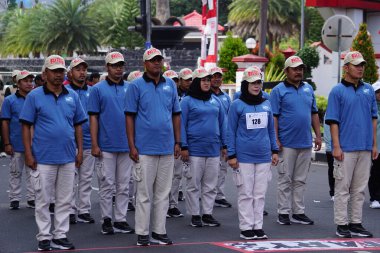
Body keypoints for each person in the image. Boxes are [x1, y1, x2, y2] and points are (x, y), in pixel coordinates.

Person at [20, 55, 87, 251]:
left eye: (60, 71)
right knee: (43, 200)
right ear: (45, 74)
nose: (58, 75)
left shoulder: (72, 96)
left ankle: (60, 235)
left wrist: (80, 151)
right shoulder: (34, 96)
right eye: (54, 71)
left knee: (65, 200)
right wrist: (29, 154)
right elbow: (26, 126)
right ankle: (44, 237)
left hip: (68, 157)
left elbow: (78, 126)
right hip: (43, 158)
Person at [125, 47, 181, 246]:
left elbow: (176, 114)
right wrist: (131, 145)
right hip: (144, 149)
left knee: (163, 194)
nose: (157, 63)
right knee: (144, 194)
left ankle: (159, 231)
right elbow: (129, 116)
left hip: (166, 147)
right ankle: (142, 233)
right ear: (145, 63)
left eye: (159, 60)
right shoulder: (136, 86)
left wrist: (177, 141)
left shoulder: (171, 85)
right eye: (153, 60)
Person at [326, 51, 378, 238]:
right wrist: (336, 146)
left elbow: (374, 118)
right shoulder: (337, 91)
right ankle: (342, 224)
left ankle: (356, 223)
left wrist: (373, 145)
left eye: (362, 64)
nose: (361, 68)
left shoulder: (369, 90)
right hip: (345, 148)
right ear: (346, 67)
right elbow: (333, 121)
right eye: (356, 65)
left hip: (364, 148)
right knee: (342, 188)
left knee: (359, 189)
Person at [227, 67, 279, 240]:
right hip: (244, 157)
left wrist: (274, 150)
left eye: (258, 82)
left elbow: (271, 129)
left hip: (264, 156)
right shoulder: (237, 105)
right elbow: (230, 131)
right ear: (245, 84)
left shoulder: (266, 103)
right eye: (253, 83)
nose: (256, 86)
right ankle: (246, 227)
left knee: (259, 194)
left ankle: (258, 226)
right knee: (246, 193)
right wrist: (232, 155)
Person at [270, 55, 321, 226]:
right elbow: (274, 117)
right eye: (295, 69)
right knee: (285, 179)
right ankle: (283, 213)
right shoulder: (278, 90)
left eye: (300, 69)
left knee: (300, 180)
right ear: (286, 71)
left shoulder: (308, 88)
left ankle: (298, 212)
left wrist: (318, 136)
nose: (298, 72)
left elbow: (314, 113)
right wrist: (275, 139)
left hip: (305, 142)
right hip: (286, 143)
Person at [88, 51, 134, 235]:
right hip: (105, 145)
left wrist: (134, 144)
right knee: (107, 184)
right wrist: (94, 144)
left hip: (126, 144)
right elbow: (93, 118)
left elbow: (135, 116)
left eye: (121, 65)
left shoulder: (131, 88)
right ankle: (107, 219)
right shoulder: (97, 89)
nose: (118, 68)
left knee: (124, 185)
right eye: (115, 65)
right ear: (107, 67)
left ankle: (121, 219)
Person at [180, 67, 226, 228]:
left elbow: (223, 123)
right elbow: (181, 125)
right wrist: (183, 146)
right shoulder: (186, 101)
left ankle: (207, 214)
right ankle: (194, 214)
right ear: (197, 82)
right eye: (203, 80)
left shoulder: (216, 100)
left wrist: (225, 145)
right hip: (194, 150)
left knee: (211, 184)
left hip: (213, 149)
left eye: (208, 80)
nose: (207, 83)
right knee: (193, 184)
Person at [66, 58, 96, 224]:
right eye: (78, 69)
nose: (82, 72)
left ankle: (83, 210)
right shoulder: (64, 90)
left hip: (88, 141)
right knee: (70, 179)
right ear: (70, 73)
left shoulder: (93, 91)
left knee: (86, 179)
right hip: (69, 143)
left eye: (84, 69)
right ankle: (69, 210)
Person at [1, 70, 35, 210]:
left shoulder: (35, 98)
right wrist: (7, 143)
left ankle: (32, 198)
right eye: (25, 81)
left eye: (30, 80)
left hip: (34, 144)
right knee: (15, 172)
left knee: (33, 173)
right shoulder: (9, 100)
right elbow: (5, 123)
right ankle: (14, 198)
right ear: (18, 83)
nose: (29, 83)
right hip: (16, 143)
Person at [209, 66, 233, 208]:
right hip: (210, 138)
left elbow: (230, 119)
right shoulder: (206, 96)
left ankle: (219, 195)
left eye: (219, 76)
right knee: (210, 170)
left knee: (222, 168)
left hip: (223, 139)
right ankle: (207, 194)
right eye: (214, 76)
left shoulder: (226, 98)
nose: (217, 79)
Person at [369, 81, 380, 209]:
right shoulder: (370, 107)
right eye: (378, 92)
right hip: (375, 145)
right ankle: (374, 198)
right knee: (376, 172)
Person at [324, 116, 334, 201]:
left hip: (346, 146)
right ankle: (333, 192)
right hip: (332, 147)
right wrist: (329, 147)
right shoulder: (330, 111)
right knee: (333, 169)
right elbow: (327, 131)